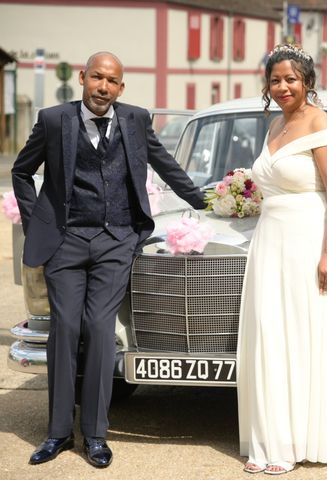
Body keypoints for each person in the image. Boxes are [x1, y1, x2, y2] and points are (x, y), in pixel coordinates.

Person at [12, 52, 206, 468]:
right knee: (64, 328)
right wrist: (37, 223)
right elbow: (21, 171)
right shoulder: (52, 120)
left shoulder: (136, 119)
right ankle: (59, 433)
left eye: (112, 81)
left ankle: (96, 435)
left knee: (100, 328)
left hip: (117, 240)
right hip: (66, 240)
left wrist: (206, 199)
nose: (103, 87)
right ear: (83, 78)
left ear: (121, 87)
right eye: (96, 78)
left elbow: (165, 163)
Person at [236, 44, 327, 475]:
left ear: (307, 80)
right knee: (270, 335)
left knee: (305, 336)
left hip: (311, 242)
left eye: (291, 79)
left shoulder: (320, 122)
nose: (282, 86)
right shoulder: (275, 124)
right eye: (275, 80)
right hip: (270, 242)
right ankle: (272, 440)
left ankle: (303, 440)